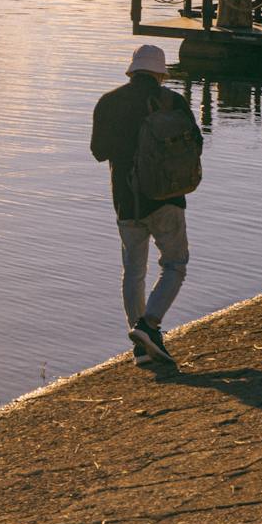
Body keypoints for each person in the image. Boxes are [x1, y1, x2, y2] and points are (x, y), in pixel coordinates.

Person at [91, 44, 199, 368]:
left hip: (126, 201)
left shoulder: (108, 102)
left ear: (132, 71)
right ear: (160, 74)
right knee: (175, 264)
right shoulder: (174, 102)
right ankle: (148, 326)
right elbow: (197, 143)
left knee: (134, 271)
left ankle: (140, 350)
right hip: (167, 198)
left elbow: (98, 151)